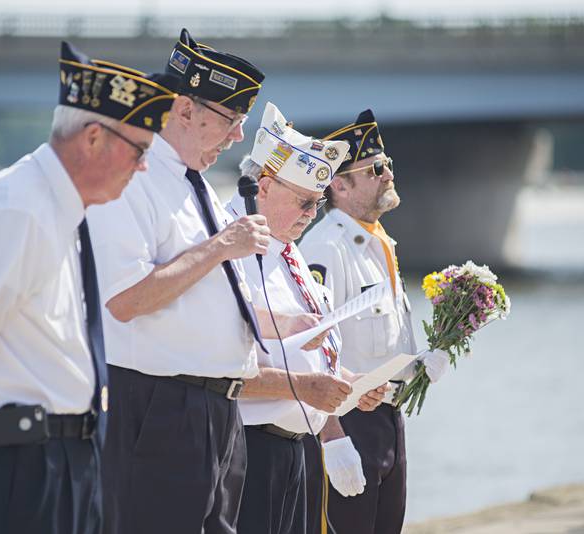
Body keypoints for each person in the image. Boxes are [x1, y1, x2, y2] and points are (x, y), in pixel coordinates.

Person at [0, 42, 178, 534]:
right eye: (140, 150)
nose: (143, 167)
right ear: (94, 138)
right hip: (25, 463)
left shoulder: (56, 208)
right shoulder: (21, 209)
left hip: (59, 458)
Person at [86, 28, 269, 534]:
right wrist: (221, 246)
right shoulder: (134, 179)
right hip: (161, 408)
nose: (237, 136)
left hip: (216, 410)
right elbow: (123, 300)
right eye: (231, 120)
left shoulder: (197, 186)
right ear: (185, 110)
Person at [227, 102, 386, 534]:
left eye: (317, 204)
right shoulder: (231, 244)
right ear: (263, 186)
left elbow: (310, 349)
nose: (311, 214)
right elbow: (223, 358)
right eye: (303, 202)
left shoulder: (288, 247)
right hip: (251, 445)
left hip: (297, 447)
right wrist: (308, 390)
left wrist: (350, 384)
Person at [300, 109, 449, 534]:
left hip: (388, 419)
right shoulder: (328, 248)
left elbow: (377, 341)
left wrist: (419, 364)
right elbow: (312, 349)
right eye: (374, 169)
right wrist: (333, 437)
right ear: (339, 184)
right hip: (348, 422)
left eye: (388, 166)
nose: (387, 175)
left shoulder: (379, 243)